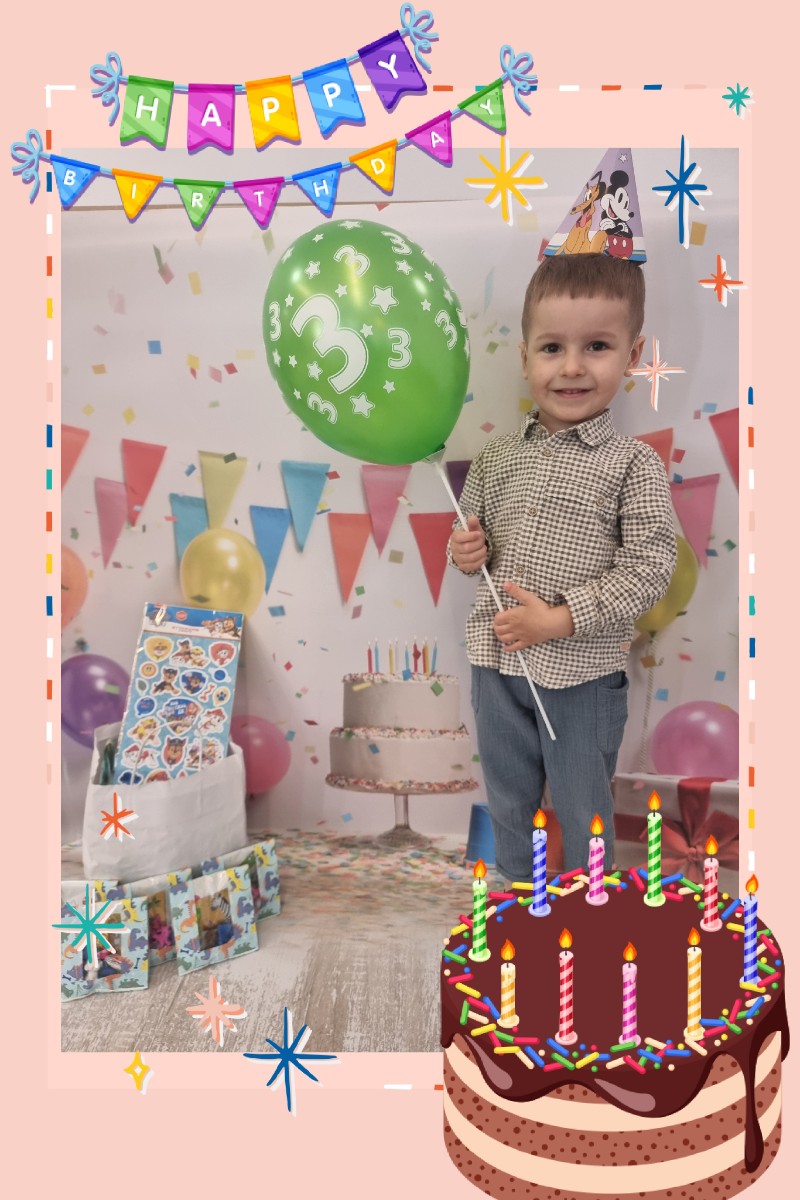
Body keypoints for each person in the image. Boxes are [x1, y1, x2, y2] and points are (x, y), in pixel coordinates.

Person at [449, 253, 676, 878]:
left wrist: (560, 619)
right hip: (497, 663)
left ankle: (592, 906)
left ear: (631, 355)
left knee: (583, 805)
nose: (572, 367)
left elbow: (650, 567)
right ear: (525, 358)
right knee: (509, 797)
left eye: (596, 346)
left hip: (582, 675)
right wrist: (464, 551)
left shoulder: (632, 464)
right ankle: (519, 898)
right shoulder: (496, 457)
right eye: (552, 348)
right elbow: (469, 540)